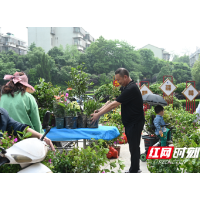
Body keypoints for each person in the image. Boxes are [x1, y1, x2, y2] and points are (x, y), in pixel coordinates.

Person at [91, 68, 145, 173]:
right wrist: (99, 110)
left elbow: (114, 104)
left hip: (135, 123)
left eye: (119, 80)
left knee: (134, 147)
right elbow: (112, 101)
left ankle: (135, 170)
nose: (118, 82)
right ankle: (134, 169)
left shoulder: (131, 88)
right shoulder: (125, 87)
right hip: (130, 123)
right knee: (132, 147)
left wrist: (98, 115)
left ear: (125, 77)